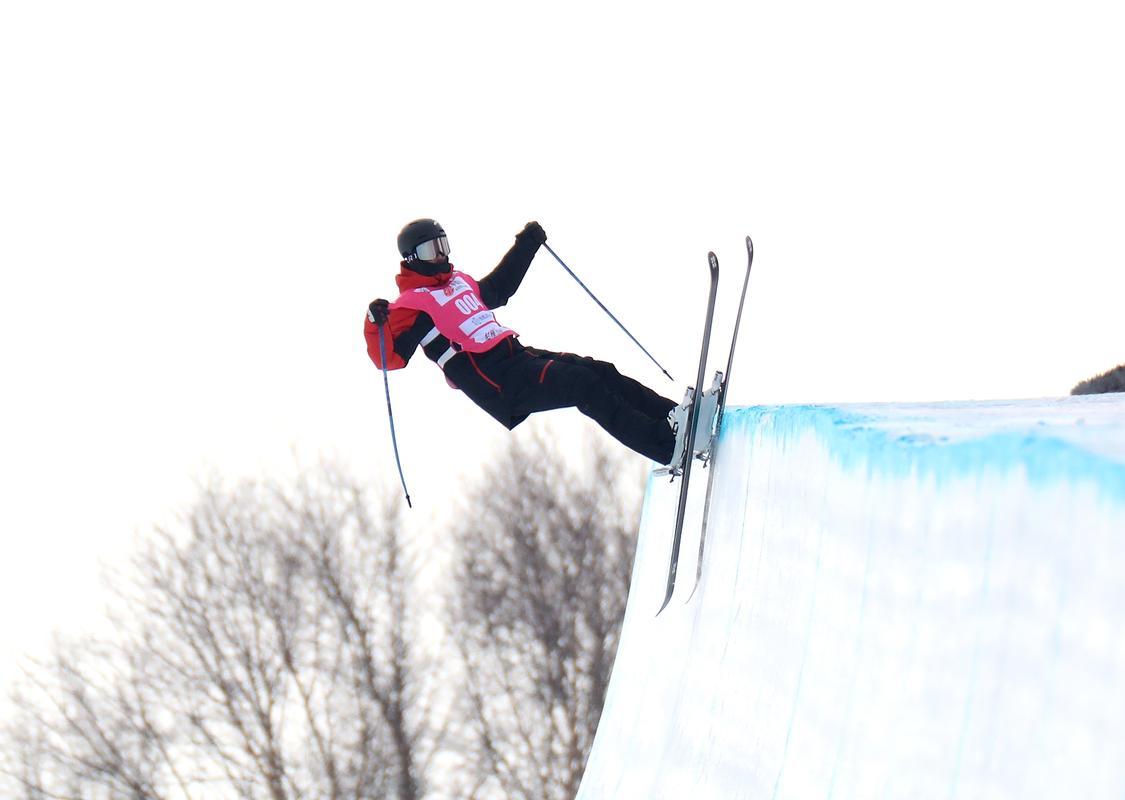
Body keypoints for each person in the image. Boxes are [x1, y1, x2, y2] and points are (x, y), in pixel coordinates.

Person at [365, 218, 678, 464]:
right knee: (584, 384)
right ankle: (665, 445)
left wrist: (526, 245)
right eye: (432, 250)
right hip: (497, 381)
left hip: (516, 356)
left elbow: (498, 290)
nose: (442, 255)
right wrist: (375, 323)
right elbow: (390, 358)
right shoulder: (412, 306)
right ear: (411, 258)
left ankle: (673, 416)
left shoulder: (458, 281)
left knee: (600, 371)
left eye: (443, 245)